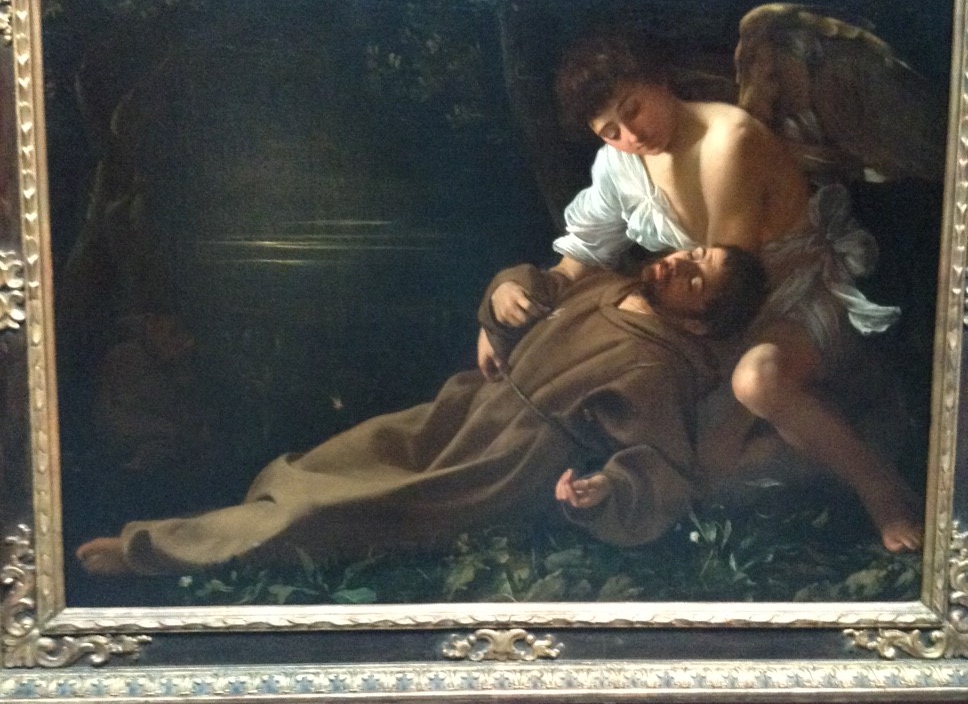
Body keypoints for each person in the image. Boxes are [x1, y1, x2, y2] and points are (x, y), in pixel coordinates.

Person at [479, 30, 922, 552]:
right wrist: (506, 312)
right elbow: (581, 257)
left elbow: (732, 283)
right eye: (610, 130)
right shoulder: (621, 163)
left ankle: (879, 487)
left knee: (754, 382)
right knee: (709, 466)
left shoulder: (728, 141)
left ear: (659, 81)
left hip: (791, 299)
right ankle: (843, 448)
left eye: (633, 109)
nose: (630, 135)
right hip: (708, 312)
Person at [76, 245, 766, 577]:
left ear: (699, 322)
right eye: (690, 253)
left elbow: (659, 464)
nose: (677, 265)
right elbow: (533, 284)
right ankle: (213, 529)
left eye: (695, 279)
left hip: (500, 464)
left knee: (336, 512)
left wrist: (601, 490)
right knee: (333, 461)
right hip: (467, 411)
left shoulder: (658, 367)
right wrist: (506, 294)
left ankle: (152, 551)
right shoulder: (611, 284)